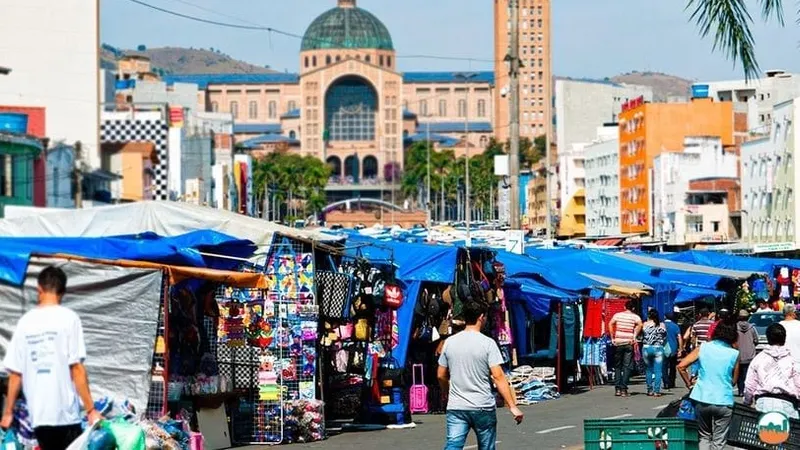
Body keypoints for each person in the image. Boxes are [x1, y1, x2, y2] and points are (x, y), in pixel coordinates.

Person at [1, 266, 101, 450]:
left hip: (39, 416)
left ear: (39, 289)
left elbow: (15, 374)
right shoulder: (69, 319)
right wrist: (91, 409)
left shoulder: (26, 322)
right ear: (62, 291)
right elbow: (76, 369)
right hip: (65, 415)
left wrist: (8, 412)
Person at [437, 301, 523, 450]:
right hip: (482, 405)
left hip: (457, 406)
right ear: (481, 317)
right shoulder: (488, 343)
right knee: (487, 447)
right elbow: (498, 377)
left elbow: (440, 375)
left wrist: (448, 391)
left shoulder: (449, 343)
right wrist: (512, 406)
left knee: (453, 445)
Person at [678, 322, 740, 450]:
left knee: (704, 436)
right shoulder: (734, 354)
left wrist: (689, 384)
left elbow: (681, 366)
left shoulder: (703, 347)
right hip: (723, 400)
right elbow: (734, 381)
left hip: (702, 398)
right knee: (719, 440)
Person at [744, 323, 800, 419]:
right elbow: (798, 384)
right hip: (787, 405)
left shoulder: (758, 359)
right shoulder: (792, 360)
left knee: (758, 433)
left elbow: (749, 385)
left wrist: (747, 402)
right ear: (784, 339)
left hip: (763, 405)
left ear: (768, 338)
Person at [609, 300, 642, 397]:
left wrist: (612, 337)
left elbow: (610, 323)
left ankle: (617, 389)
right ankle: (624, 389)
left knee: (618, 366)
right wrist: (634, 335)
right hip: (628, 343)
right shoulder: (635, 317)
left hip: (618, 342)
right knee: (627, 366)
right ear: (633, 308)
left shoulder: (617, 315)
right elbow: (640, 324)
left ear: (624, 307)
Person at [641, 309, 667, 397]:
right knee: (658, 371)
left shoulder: (644, 324)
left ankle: (649, 390)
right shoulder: (662, 325)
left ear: (649, 316)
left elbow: (642, 335)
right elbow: (664, 337)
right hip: (658, 348)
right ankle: (657, 391)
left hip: (646, 348)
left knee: (648, 370)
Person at [736, 309, 759, 397]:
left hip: (738, 355)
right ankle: (747, 391)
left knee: (739, 375)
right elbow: (756, 340)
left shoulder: (735, 328)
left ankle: (740, 391)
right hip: (749, 355)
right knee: (748, 375)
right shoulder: (752, 328)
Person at [662, 312, 683, 390]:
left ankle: (665, 382)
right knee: (672, 366)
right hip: (673, 348)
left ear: (665, 317)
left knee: (664, 366)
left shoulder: (661, 325)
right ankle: (672, 382)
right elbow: (679, 337)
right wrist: (680, 349)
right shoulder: (675, 326)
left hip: (663, 348)